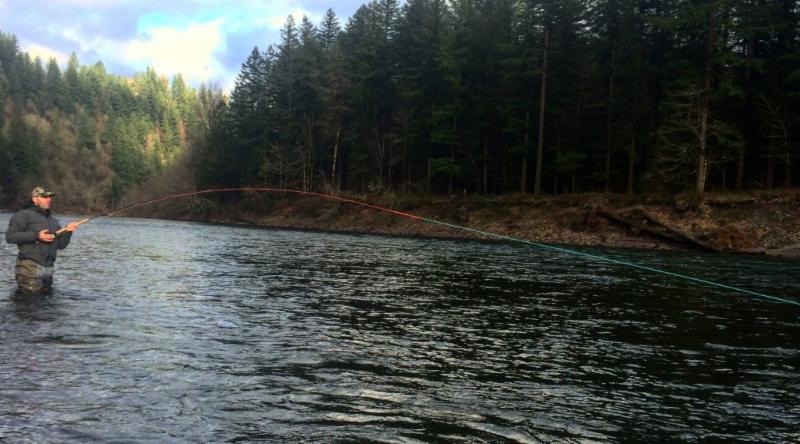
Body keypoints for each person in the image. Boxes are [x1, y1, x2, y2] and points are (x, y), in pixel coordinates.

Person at [5, 186, 81, 294]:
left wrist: (69, 231)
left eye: (50, 197)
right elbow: (10, 237)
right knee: (32, 303)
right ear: (35, 199)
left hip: (48, 270)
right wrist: (37, 236)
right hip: (29, 267)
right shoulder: (22, 215)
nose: (49, 199)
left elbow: (61, 245)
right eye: (44, 197)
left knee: (45, 303)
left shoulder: (53, 221)